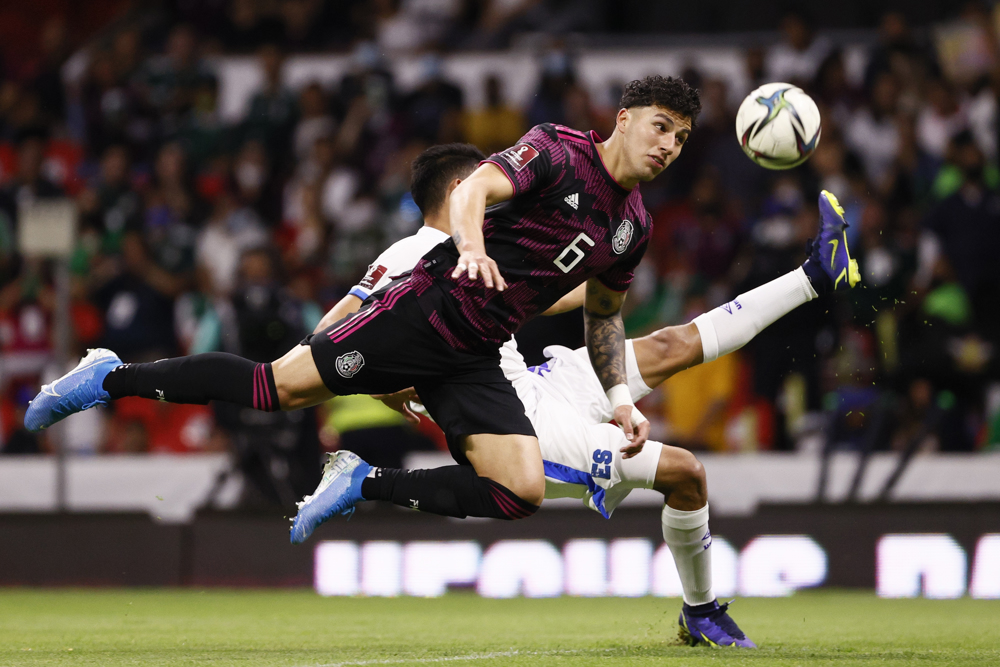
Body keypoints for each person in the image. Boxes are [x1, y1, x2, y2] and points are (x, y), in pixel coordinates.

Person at [25, 76, 697, 533]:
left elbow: (604, 315)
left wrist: (620, 401)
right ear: (624, 118)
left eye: (681, 138)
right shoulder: (558, 150)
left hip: (474, 352)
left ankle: (362, 482)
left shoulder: (633, 226)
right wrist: (470, 245)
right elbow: (473, 190)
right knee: (276, 387)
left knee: (518, 490)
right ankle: (109, 376)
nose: (668, 144)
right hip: (428, 306)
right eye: (661, 126)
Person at [294, 143, 860, 647]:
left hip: (540, 379)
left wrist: (618, 269)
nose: (503, 192)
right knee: (686, 474)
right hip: (524, 424)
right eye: (488, 181)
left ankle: (814, 274)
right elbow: (327, 339)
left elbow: (565, 298)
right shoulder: (412, 254)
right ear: (458, 192)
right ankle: (702, 610)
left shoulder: (486, 253)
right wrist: (393, 387)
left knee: (669, 346)